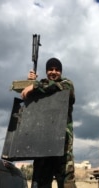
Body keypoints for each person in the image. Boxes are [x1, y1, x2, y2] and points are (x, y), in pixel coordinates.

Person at [21, 57, 76, 188]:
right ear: (46, 71)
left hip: (62, 144)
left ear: (61, 72)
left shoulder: (67, 84)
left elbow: (55, 88)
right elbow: (26, 98)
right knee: (41, 183)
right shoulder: (40, 86)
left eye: (57, 70)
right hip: (42, 145)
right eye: (50, 69)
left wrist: (35, 86)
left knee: (67, 183)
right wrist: (30, 83)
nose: (54, 72)